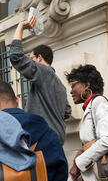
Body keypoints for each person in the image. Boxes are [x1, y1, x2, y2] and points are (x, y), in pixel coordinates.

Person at [9, 16, 71, 145]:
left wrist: (20, 26)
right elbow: (67, 112)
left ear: (40, 58)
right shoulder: (61, 86)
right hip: (56, 141)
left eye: (31, 58)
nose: (30, 62)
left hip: (42, 139)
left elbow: (16, 57)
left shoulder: (43, 72)